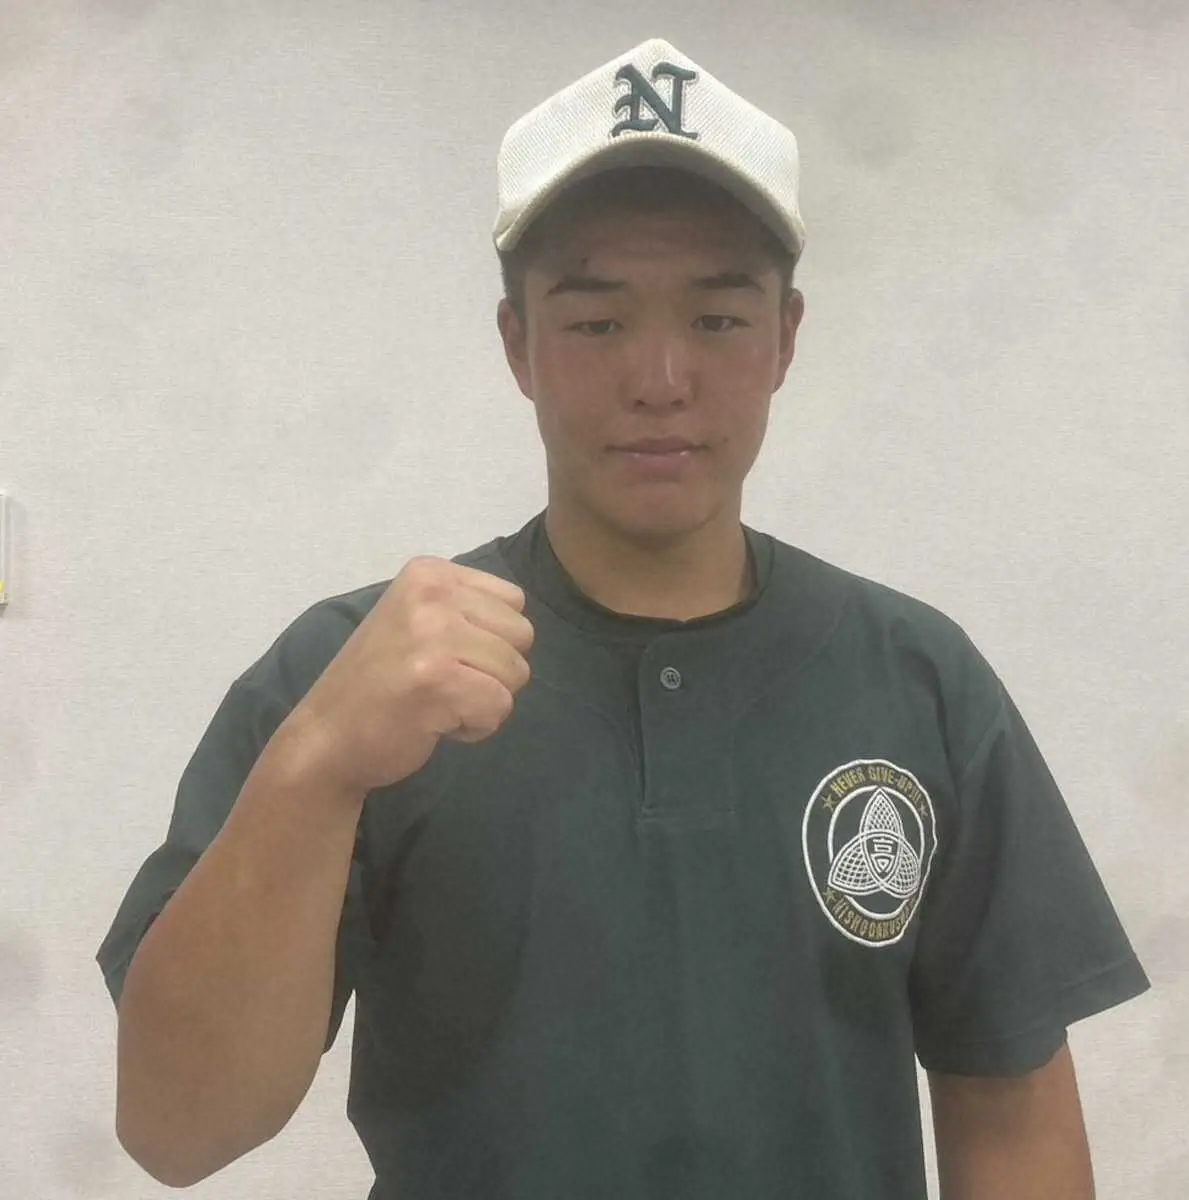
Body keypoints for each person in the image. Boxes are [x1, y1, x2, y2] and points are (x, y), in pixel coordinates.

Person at [96, 37, 1150, 1199]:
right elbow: (177, 1128)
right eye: (596, 323)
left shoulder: (917, 679)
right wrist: (316, 766)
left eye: (717, 318)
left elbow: (1009, 1114)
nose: (658, 378)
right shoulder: (358, 676)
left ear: (786, 338)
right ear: (519, 346)